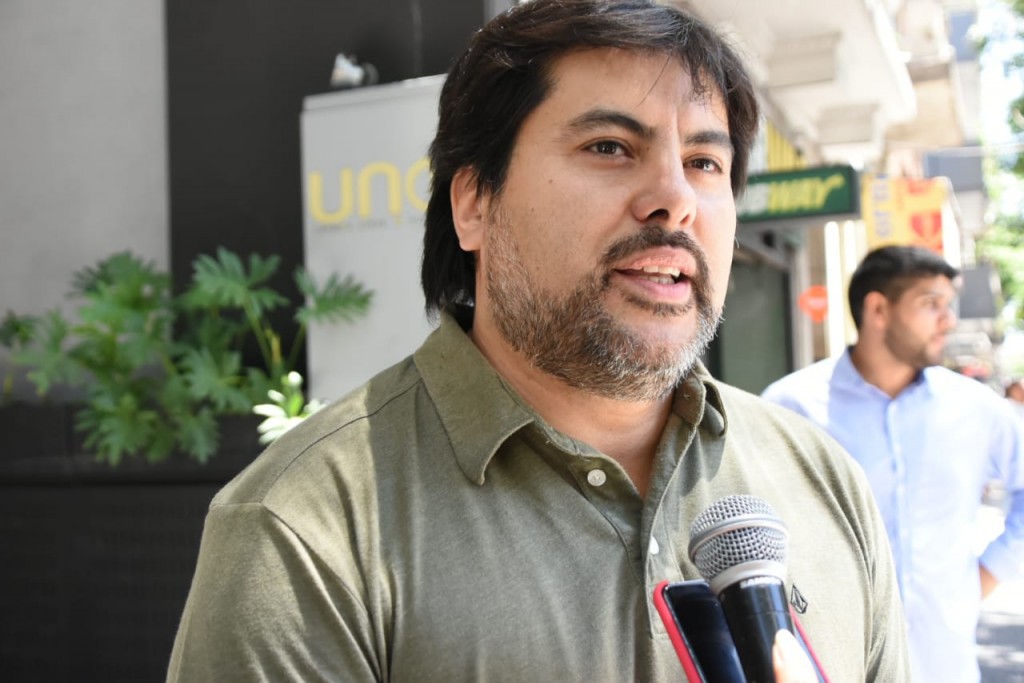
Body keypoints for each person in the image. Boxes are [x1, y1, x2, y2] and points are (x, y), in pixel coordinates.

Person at [167, 1, 909, 680]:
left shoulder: (824, 484)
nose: (675, 200)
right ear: (474, 203)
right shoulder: (305, 527)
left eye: (704, 163)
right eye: (610, 146)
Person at [762, 245, 1024, 683]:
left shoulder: (977, 407)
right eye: (931, 304)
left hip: (946, 665)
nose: (949, 320)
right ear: (879, 309)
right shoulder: (791, 407)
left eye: (949, 304)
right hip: (836, 665)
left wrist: (987, 574)